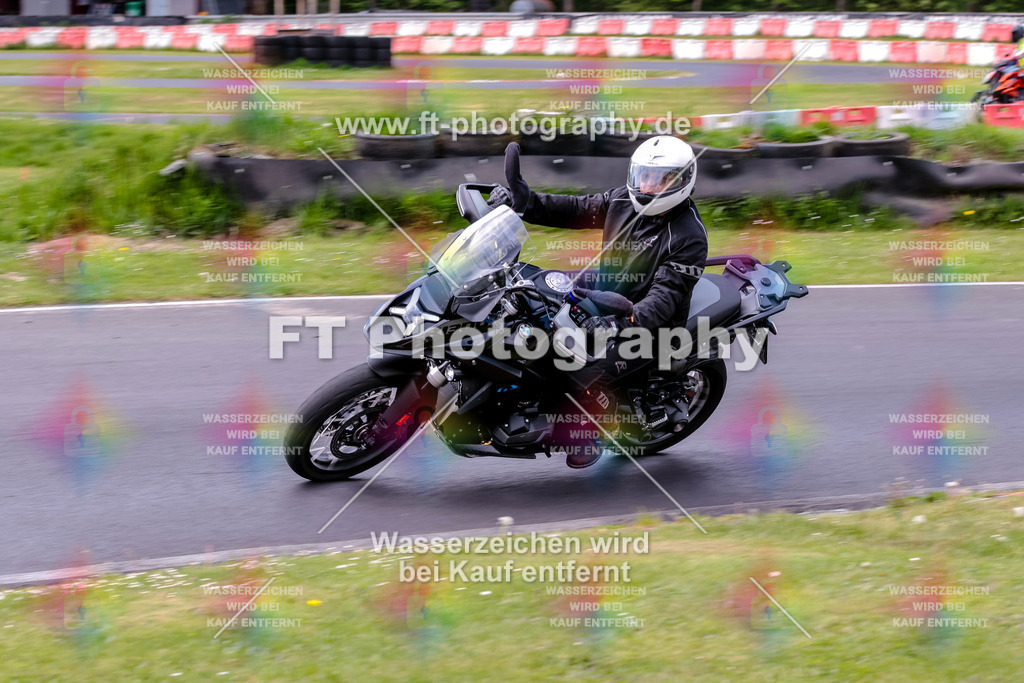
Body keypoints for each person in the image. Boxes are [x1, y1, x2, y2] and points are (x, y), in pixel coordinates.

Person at [487, 137, 709, 468]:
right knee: (530, 298)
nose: (646, 186)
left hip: (646, 325)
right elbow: (578, 209)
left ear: (680, 182)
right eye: (642, 176)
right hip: (600, 290)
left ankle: (592, 433)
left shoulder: (688, 236)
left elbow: (665, 297)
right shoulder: (623, 199)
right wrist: (525, 202)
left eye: (657, 179)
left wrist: (623, 324)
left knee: (580, 365)